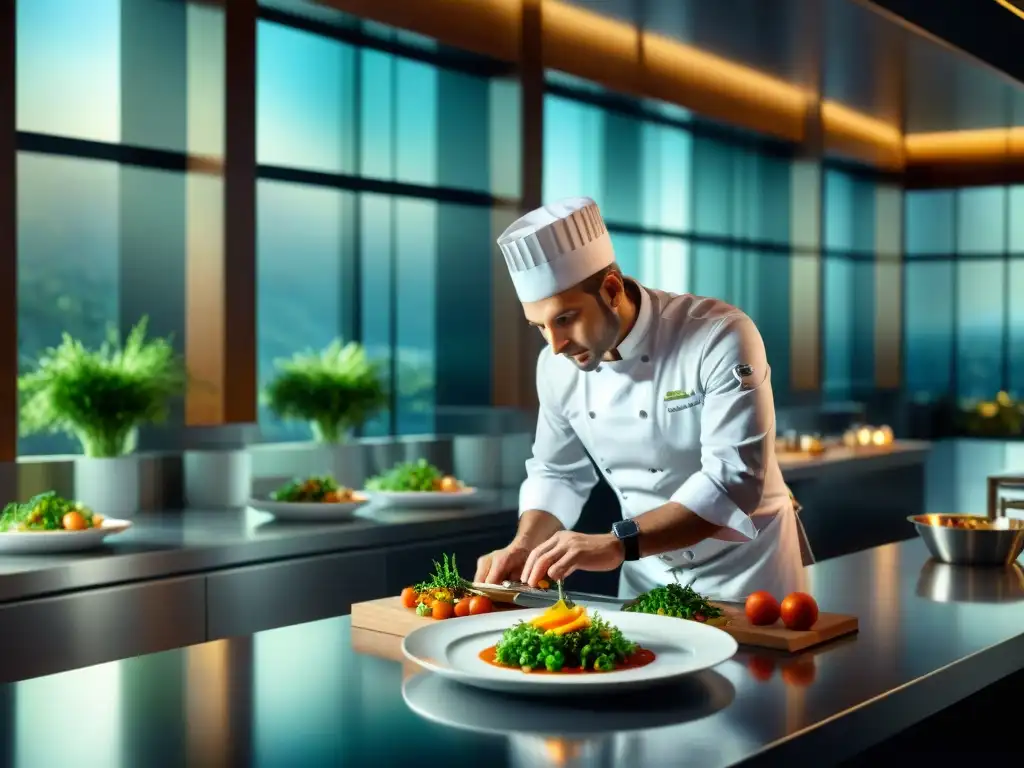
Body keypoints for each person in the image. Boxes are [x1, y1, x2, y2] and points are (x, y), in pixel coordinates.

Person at [474, 196, 808, 601]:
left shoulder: (719, 335)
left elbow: (731, 481)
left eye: (565, 318)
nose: (556, 344)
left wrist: (617, 544)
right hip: (647, 576)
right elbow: (558, 472)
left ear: (612, 289)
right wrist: (524, 544)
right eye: (539, 326)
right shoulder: (554, 365)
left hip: (748, 575)